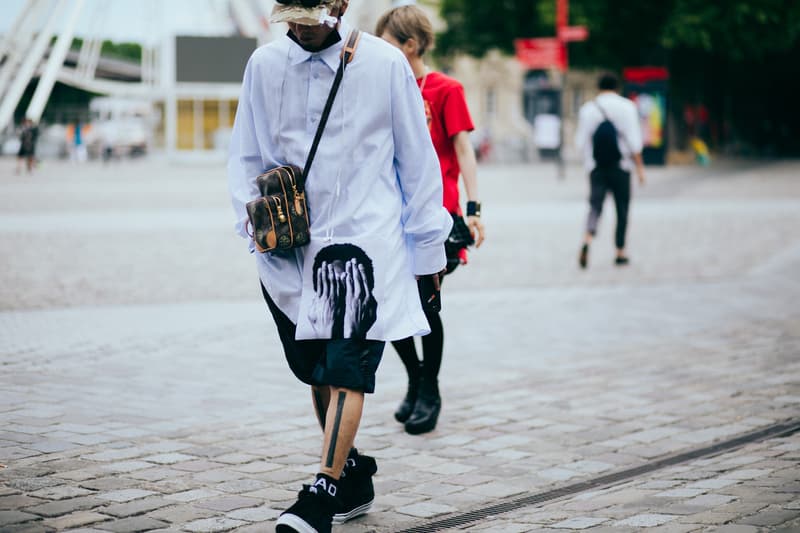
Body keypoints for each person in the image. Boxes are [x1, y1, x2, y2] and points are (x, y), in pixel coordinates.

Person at [227, 1, 453, 531]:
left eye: (311, 14)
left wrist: (428, 253)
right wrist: (254, 231)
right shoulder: (263, 66)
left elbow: (416, 163)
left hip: (366, 245)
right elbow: (246, 156)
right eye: (293, 17)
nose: (302, 27)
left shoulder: (384, 64)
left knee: (348, 368)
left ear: (340, 5)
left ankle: (322, 495)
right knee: (314, 369)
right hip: (291, 253)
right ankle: (352, 474)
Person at [376, 4, 485, 435]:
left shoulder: (444, 89)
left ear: (412, 44)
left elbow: (463, 151)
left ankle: (430, 390)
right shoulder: (384, 89)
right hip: (391, 215)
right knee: (391, 303)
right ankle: (416, 379)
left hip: (439, 214)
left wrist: (475, 209)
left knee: (425, 302)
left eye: (389, 46)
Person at [574, 72, 646, 268]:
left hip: (596, 167)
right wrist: (640, 169)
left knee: (595, 206)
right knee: (622, 209)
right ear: (617, 87)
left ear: (598, 87)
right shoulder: (627, 107)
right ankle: (620, 251)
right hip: (621, 167)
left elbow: (580, 143)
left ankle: (587, 239)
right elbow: (634, 142)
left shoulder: (588, 110)